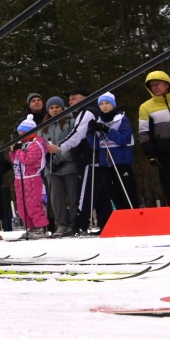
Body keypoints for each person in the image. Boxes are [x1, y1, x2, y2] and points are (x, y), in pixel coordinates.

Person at [48, 87, 101, 233]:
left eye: (74, 98)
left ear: (84, 97)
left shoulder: (87, 111)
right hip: (93, 158)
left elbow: (77, 134)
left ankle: (80, 225)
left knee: (83, 193)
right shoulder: (87, 111)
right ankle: (105, 222)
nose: (70, 102)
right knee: (99, 192)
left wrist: (60, 148)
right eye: (69, 99)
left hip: (89, 157)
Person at [89, 92, 137, 230]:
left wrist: (107, 130)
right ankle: (122, 221)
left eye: (107, 103)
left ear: (113, 104)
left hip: (121, 161)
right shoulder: (99, 121)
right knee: (113, 194)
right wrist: (90, 132)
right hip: (106, 162)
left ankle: (133, 221)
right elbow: (94, 145)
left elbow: (124, 139)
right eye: (101, 104)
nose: (104, 106)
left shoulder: (122, 119)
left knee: (127, 192)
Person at [42, 96, 81, 236]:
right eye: (51, 108)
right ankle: (61, 224)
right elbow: (41, 146)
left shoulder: (70, 122)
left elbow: (74, 141)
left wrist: (63, 157)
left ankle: (74, 223)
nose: (55, 110)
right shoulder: (44, 126)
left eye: (57, 107)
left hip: (68, 164)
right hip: (51, 167)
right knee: (56, 198)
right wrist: (49, 161)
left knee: (73, 195)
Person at [10, 115, 49, 239]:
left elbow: (28, 159)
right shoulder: (23, 144)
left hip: (32, 178)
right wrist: (13, 151)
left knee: (33, 204)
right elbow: (15, 160)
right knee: (21, 206)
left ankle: (40, 227)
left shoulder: (37, 143)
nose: (20, 135)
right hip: (19, 178)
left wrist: (18, 151)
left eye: (23, 133)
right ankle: (30, 227)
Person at [138, 70, 170, 205]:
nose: (155, 87)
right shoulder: (146, 107)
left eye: (158, 84)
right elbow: (143, 132)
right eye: (152, 85)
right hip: (164, 152)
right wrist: (150, 153)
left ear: (167, 84)